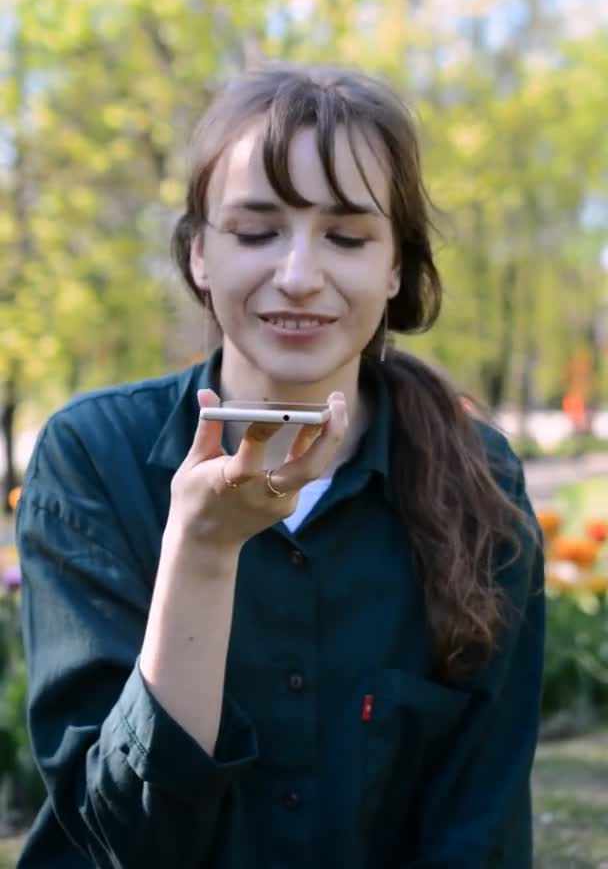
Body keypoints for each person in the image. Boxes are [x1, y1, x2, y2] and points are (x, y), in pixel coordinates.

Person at [16, 63, 545, 869]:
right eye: (257, 230)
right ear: (199, 256)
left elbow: (479, 827)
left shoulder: (480, 480)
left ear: (396, 266)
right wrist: (202, 551)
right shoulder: (92, 460)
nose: (298, 277)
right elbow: (125, 842)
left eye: (346, 236)